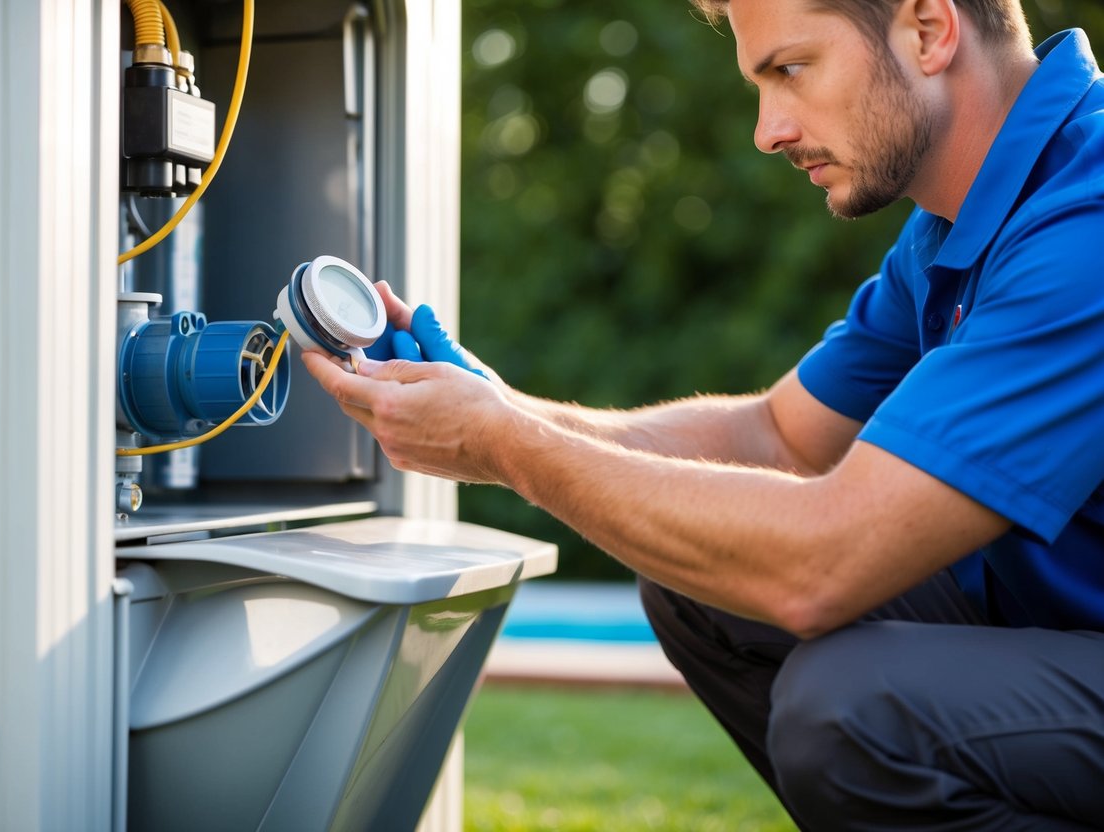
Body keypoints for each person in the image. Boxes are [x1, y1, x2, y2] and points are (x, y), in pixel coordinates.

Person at [304, 0, 1104, 828]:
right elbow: (777, 436)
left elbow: (825, 564)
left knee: (852, 709)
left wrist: (506, 446)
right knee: (705, 585)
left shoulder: (1085, 218)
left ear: (930, 30)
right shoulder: (951, 228)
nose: (767, 131)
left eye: (790, 70)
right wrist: (496, 409)